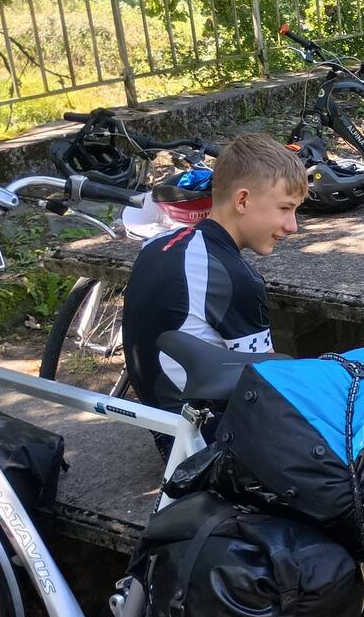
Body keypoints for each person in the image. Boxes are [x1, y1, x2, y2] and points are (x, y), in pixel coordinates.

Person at [122, 132, 307, 447]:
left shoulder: (159, 243)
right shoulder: (233, 278)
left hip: (162, 423)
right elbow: (266, 387)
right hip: (206, 443)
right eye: (285, 208)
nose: (293, 226)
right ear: (243, 200)